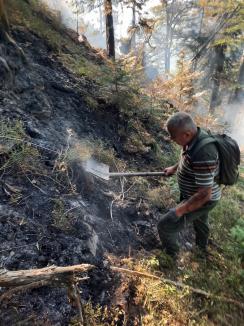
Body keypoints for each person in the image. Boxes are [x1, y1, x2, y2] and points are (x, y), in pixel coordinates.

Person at [157, 112, 221, 259]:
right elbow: (188, 157)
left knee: (165, 225)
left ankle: (171, 258)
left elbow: (204, 195)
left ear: (186, 134)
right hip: (196, 195)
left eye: (173, 136)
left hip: (203, 199)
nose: (171, 139)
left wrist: (180, 210)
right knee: (201, 222)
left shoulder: (204, 153)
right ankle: (201, 251)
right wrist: (175, 168)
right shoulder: (194, 138)